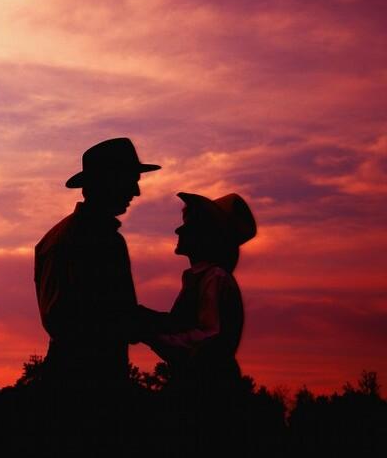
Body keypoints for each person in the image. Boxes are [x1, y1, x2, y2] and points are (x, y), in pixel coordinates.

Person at [34, 137, 161, 392]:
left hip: (67, 375)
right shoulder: (98, 239)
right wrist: (168, 325)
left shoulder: (54, 237)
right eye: (130, 180)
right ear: (107, 181)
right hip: (89, 381)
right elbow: (110, 315)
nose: (136, 192)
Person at [142, 192, 257, 395]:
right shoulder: (205, 277)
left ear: (205, 235)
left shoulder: (214, 278)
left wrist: (148, 332)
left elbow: (206, 339)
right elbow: (182, 327)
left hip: (208, 391)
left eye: (189, 226)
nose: (179, 230)